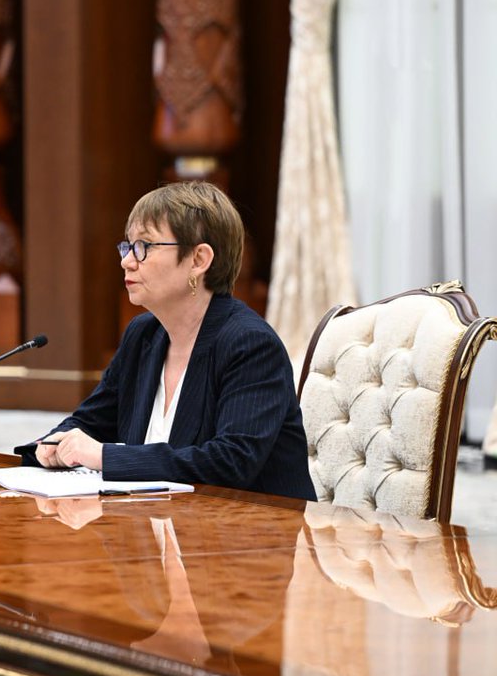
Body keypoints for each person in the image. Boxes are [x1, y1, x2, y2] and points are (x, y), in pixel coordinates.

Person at [31, 181, 314, 500]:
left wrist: (104, 456)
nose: (127, 261)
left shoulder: (249, 344)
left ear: (198, 260)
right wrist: (54, 443)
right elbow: (90, 422)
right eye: (127, 246)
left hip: (250, 536)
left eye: (144, 247)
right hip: (162, 529)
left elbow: (230, 462)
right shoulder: (143, 335)